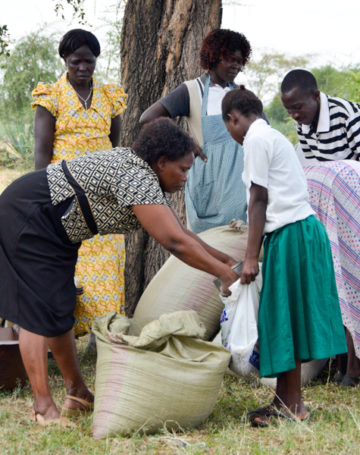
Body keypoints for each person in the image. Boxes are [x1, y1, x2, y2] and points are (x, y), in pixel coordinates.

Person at [0, 118, 239, 427]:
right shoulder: (133, 174)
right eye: (182, 169)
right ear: (161, 161)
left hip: (58, 229)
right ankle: (43, 407)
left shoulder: (145, 176)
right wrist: (225, 275)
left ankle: (78, 393)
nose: (185, 178)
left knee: (59, 306)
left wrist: (227, 262)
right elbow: (174, 243)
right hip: (30, 214)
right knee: (37, 309)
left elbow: (180, 232)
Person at [221, 87, 347, 427]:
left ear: (233, 119)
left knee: (284, 320)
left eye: (228, 127)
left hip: (292, 234)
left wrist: (250, 256)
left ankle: (293, 407)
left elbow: (258, 199)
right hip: (297, 233)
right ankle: (285, 400)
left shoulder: (255, 140)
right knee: (282, 319)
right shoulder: (271, 136)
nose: (231, 134)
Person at [32, 29, 127, 337]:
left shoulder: (109, 96)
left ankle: (107, 333)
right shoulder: (51, 97)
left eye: (89, 61)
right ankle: (65, 334)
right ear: (65, 61)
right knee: (73, 264)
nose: (83, 68)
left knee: (108, 261)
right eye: (76, 62)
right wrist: (42, 199)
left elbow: (113, 141)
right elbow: (41, 153)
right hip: (66, 195)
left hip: (105, 195)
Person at [140, 28, 252, 233]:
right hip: (208, 181)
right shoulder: (192, 90)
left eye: (239, 61)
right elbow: (147, 118)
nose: (236, 65)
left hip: (239, 182)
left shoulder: (241, 94)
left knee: (240, 244)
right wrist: (187, 142)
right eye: (229, 59)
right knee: (205, 245)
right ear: (213, 57)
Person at [280, 68, 360, 162]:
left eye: (297, 107)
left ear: (316, 96)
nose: (294, 116)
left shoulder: (347, 115)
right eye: (289, 110)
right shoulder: (301, 121)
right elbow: (313, 164)